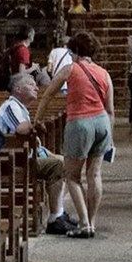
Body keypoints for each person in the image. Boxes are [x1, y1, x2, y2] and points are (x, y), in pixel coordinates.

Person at [37, 31, 115, 238]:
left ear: (76, 51)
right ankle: (93, 222)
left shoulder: (71, 69)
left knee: (72, 175)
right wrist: (110, 137)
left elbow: (48, 94)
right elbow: (110, 109)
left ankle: (84, 223)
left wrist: (37, 119)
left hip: (80, 122)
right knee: (94, 174)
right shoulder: (104, 73)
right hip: (102, 122)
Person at [0, 69, 69, 223]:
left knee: (66, 163)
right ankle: (55, 218)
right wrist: (35, 124)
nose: (36, 88)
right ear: (18, 89)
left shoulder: (21, 108)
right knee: (57, 165)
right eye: (30, 85)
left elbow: (35, 144)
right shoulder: (11, 106)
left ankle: (59, 213)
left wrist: (52, 154)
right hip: (11, 162)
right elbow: (21, 129)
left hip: (22, 157)